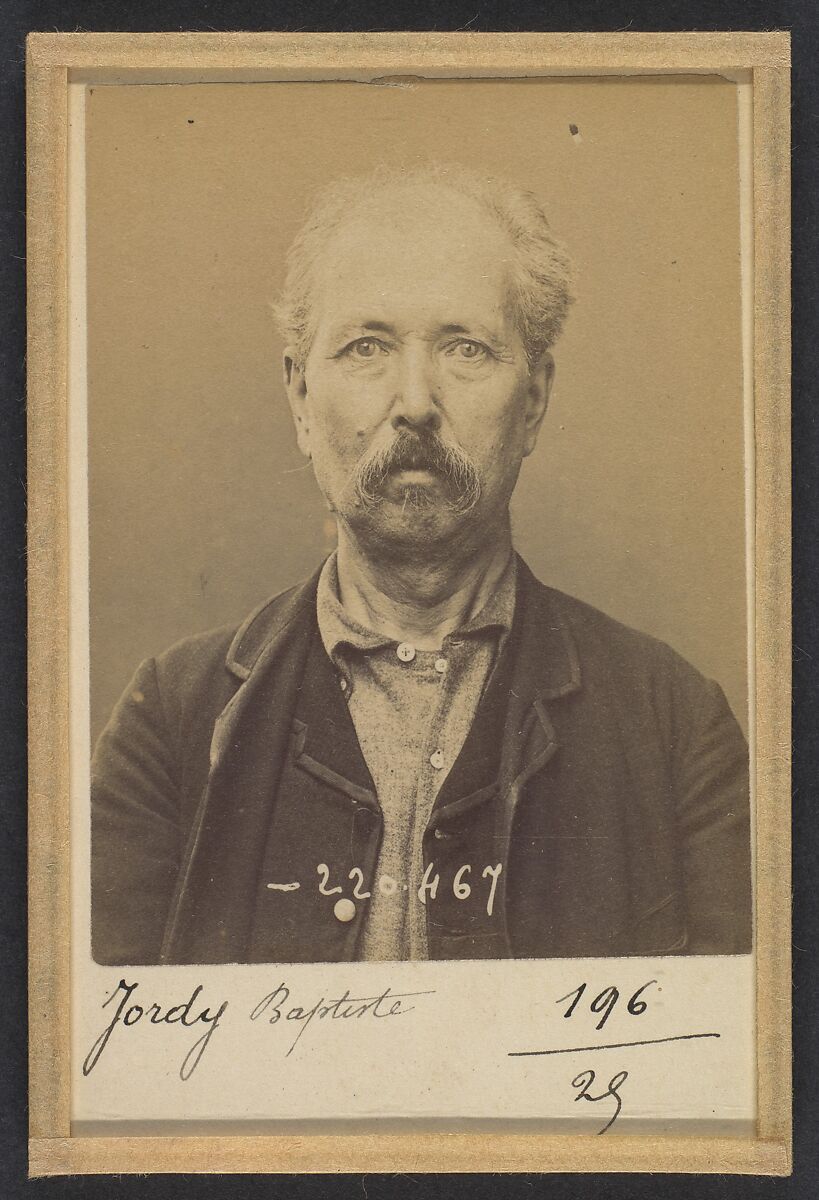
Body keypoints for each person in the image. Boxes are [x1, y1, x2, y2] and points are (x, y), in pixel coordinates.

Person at [91, 162, 752, 966]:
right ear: (300, 398)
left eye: (465, 348)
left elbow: (726, 1071)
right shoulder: (169, 722)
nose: (413, 400)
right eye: (366, 347)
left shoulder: (677, 727)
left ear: (534, 400)